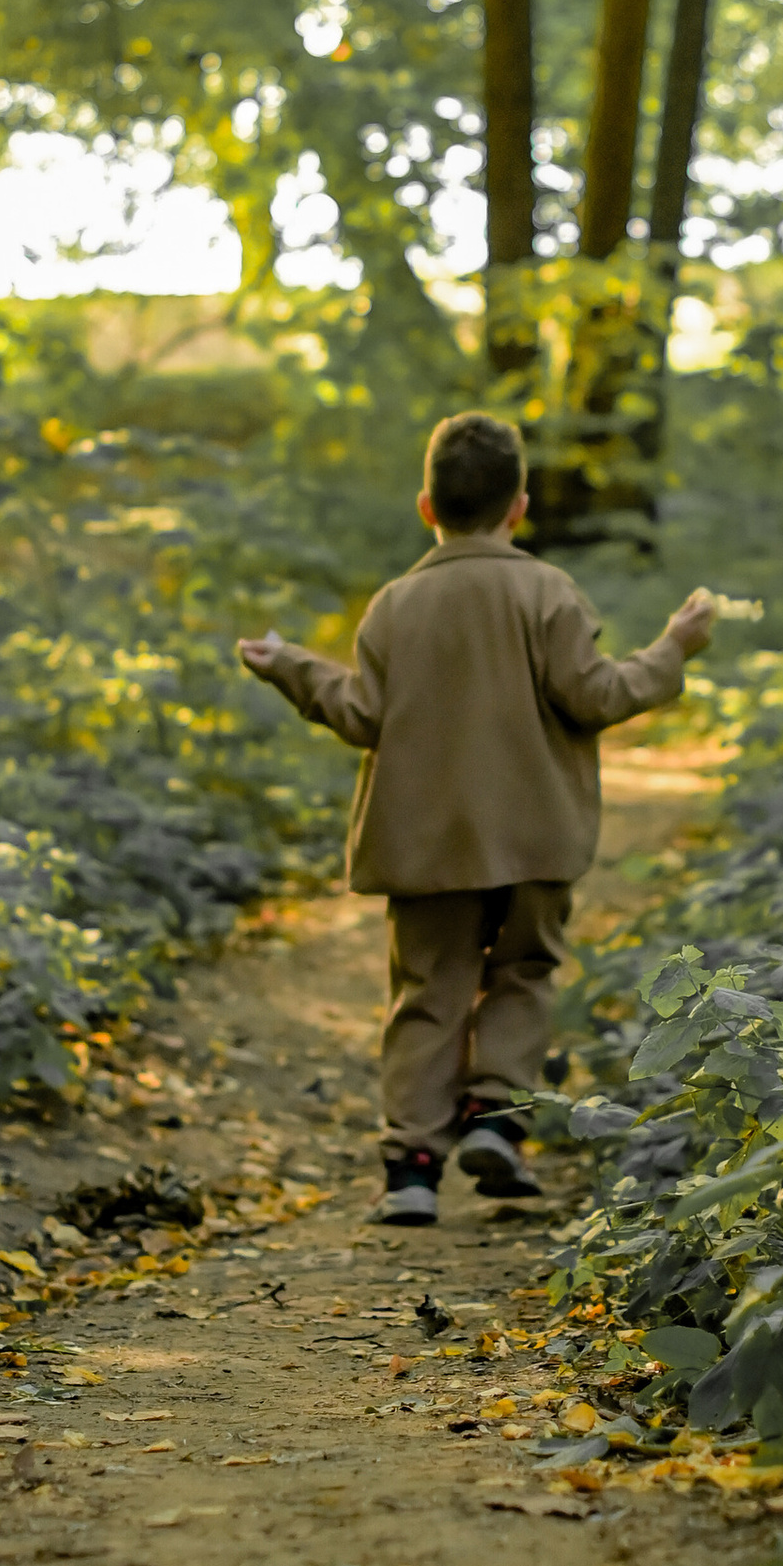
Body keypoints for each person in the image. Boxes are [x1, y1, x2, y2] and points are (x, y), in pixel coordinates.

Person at [237, 410, 713, 1224]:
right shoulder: (547, 591)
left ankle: (414, 1167)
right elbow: (596, 695)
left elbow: (359, 713)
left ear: (425, 506)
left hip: (425, 843)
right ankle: (497, 1120)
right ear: (519, 505)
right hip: (535, 836)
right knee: (522, 974)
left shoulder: (394, 604)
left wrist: (290, 666)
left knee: (429, 989)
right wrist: (673, 646)